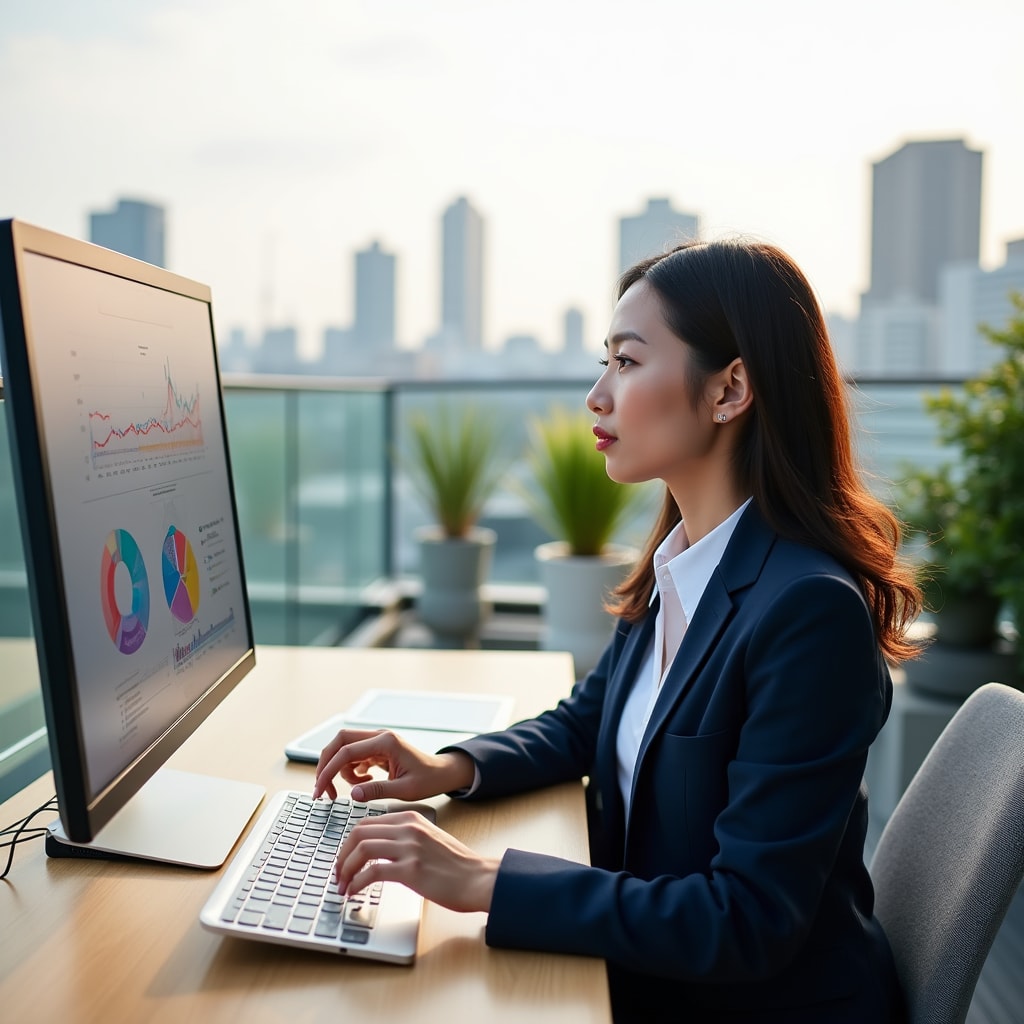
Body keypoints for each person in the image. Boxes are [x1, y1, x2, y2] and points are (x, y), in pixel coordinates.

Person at [314, 239, 921, 1023]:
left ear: (729, 389)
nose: (598, 396)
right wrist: (449, 768)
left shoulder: (808, 613)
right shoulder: (683, 562)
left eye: (628, 364)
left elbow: (747, 919)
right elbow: (590, 718)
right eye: (607, 363)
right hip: (648, 973)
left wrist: (486, 880)